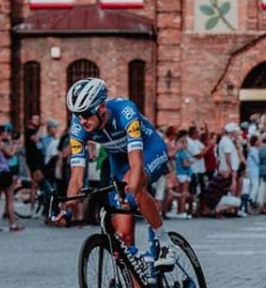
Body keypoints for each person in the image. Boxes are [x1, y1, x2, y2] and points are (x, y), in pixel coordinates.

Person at [54, 78, 179, 275]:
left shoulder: (126, 112)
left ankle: (165, 242)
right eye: (77, 115)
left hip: (149, 150)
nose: (81, 120)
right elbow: (77, 177)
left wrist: (132, 190)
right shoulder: (78, 127)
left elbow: (136, 163)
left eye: (86, 113)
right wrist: (68, 207)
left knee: (134, 189)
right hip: (118, 160)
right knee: (124, 240)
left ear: (101, 106)